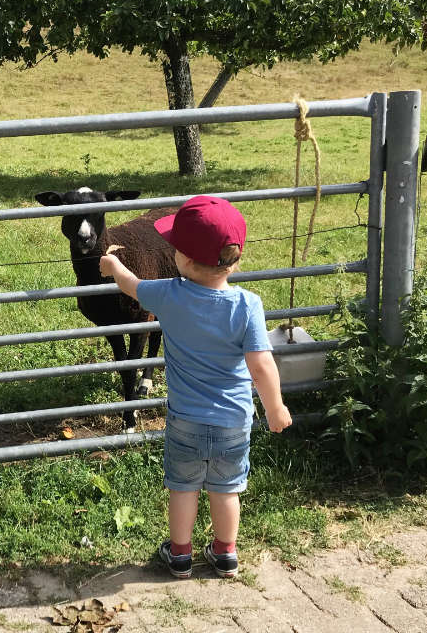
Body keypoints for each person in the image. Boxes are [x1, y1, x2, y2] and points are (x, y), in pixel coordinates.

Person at [98, 195, 292, 578]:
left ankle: (181, 554)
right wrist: (275, 407)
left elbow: (131, 285)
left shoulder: (169, 295)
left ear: (181, 258)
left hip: (185, 420)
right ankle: (225, 553)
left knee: (183, 489)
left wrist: (113, 262)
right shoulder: (248, 306)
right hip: (234, 421)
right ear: (236, 260)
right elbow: (262, 364)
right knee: (226, 488)